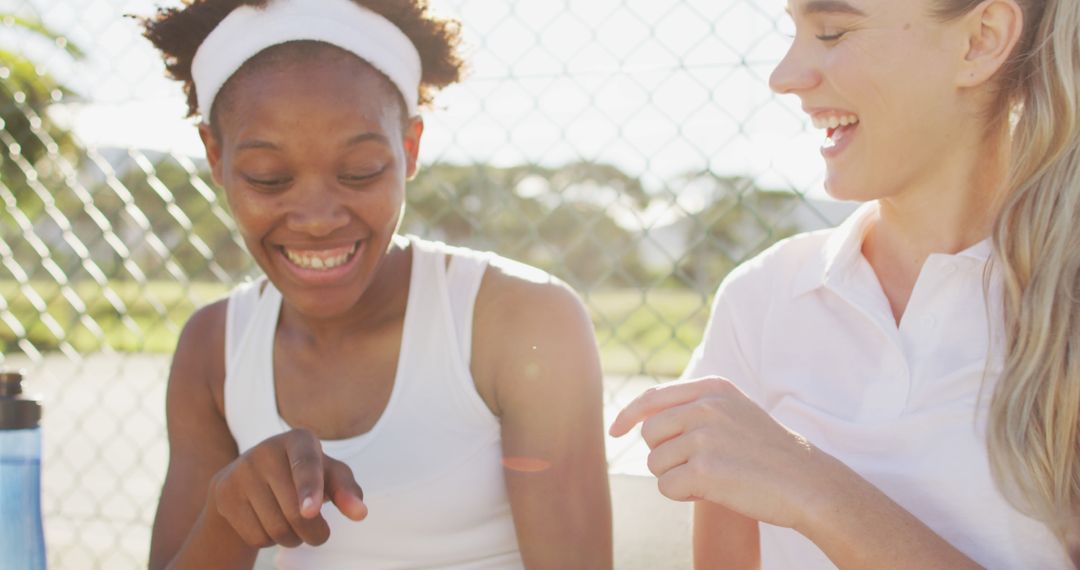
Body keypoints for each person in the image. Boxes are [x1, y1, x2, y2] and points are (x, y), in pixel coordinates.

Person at [141, 1, 612, 568]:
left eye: (360, 171)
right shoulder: (212, 347)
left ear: (409, 149)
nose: (317, 217)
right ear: (215, 156)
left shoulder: (520, 323)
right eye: (269, 178)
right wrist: (228, 517)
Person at [611, 0, 1079, 567]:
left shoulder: (1064, 305)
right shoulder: (760, 298)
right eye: (794, 31)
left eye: (832, 32)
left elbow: (804, 486)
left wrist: (812, 487)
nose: (784, 76)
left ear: (980, 39)